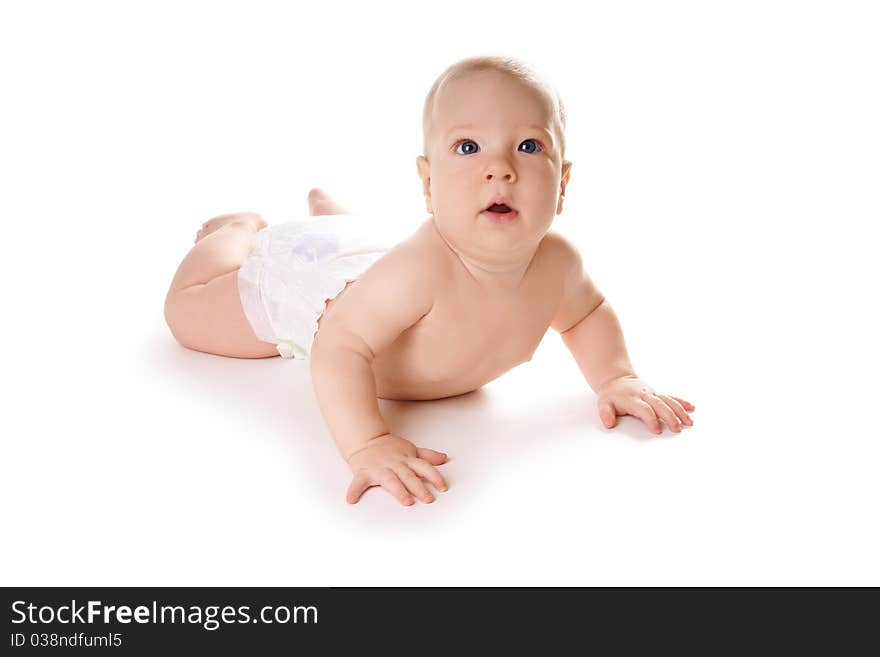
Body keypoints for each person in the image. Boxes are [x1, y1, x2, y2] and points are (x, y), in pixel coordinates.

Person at [164, 55, 695, 507]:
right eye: (469, 148)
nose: (501, 169)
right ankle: (236, 231)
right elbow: (339, 345)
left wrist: (616, 378)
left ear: (564, 183)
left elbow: (586, 314)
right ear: (427, 181)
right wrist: (367, 441)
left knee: (363, 249)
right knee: (187, 314)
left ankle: (332, 221)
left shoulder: (558, 264)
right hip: (311, 295)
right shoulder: (421, 268)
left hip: (370, 262)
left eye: (529, 147)